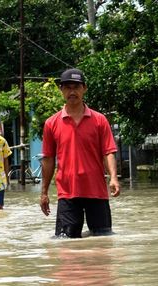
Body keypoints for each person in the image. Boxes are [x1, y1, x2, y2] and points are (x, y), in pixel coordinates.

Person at [40, 68, 120, 237]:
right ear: (61, 90)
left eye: (76, 87)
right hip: (67, 192)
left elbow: (108, 152)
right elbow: (48, 159)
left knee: (103, 240)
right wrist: (44, 192)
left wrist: (113, 178)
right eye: (67, 87)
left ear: (84, 88)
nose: (72, 91)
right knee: (65, 242)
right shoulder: (51, 123)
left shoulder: (99, 120)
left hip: (96, 190)